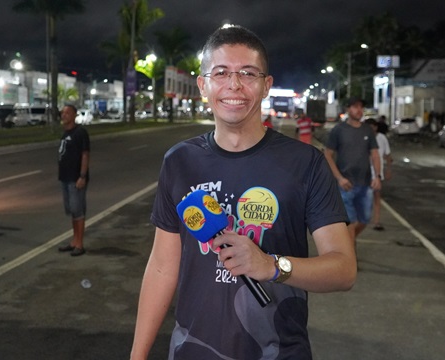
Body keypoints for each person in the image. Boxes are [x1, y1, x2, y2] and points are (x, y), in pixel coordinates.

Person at [131, 25, 356, 360]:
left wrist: (271, 265)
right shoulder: (180, 162)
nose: (234, 85)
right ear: (203, 85)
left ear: (266, 85)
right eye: (221, 73)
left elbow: (343, 270)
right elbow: (163, 266)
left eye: (248, 73)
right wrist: (138, 355)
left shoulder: (306, 163)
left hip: (277, 351)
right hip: (192, 349)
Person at [324, 97, 381, 250]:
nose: (359, 110)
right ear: (348, 109)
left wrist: (377, 176)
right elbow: (328, 154)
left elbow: (375, 154)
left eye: (361, 107)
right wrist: (339, 178)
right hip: (345, 185)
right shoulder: (339, 130)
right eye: (355, 107)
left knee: (364, 220)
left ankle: (345, 243)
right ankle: (350, 255)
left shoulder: (367, 130)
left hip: (365, 183)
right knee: (350, 222)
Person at [57, 104, 90, 257]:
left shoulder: (80, 133)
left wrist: (82, 176)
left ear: (75, 115)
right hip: (65, 178)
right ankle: (74, 241)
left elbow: (85, 154)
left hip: (75, 179)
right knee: (72, 212)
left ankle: (80, 244)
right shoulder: (65, 133)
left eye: (67, 112)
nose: (64, 115)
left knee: (78, 212)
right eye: (62, 112)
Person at [365, 118, 393, 231]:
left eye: (372, 127)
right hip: (364, 173)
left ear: (376, 127)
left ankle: (376, 221)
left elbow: (388, 155)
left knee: (377, 197)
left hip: (377, 173)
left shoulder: (382, 138)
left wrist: (389, 170)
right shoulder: (363, 137)